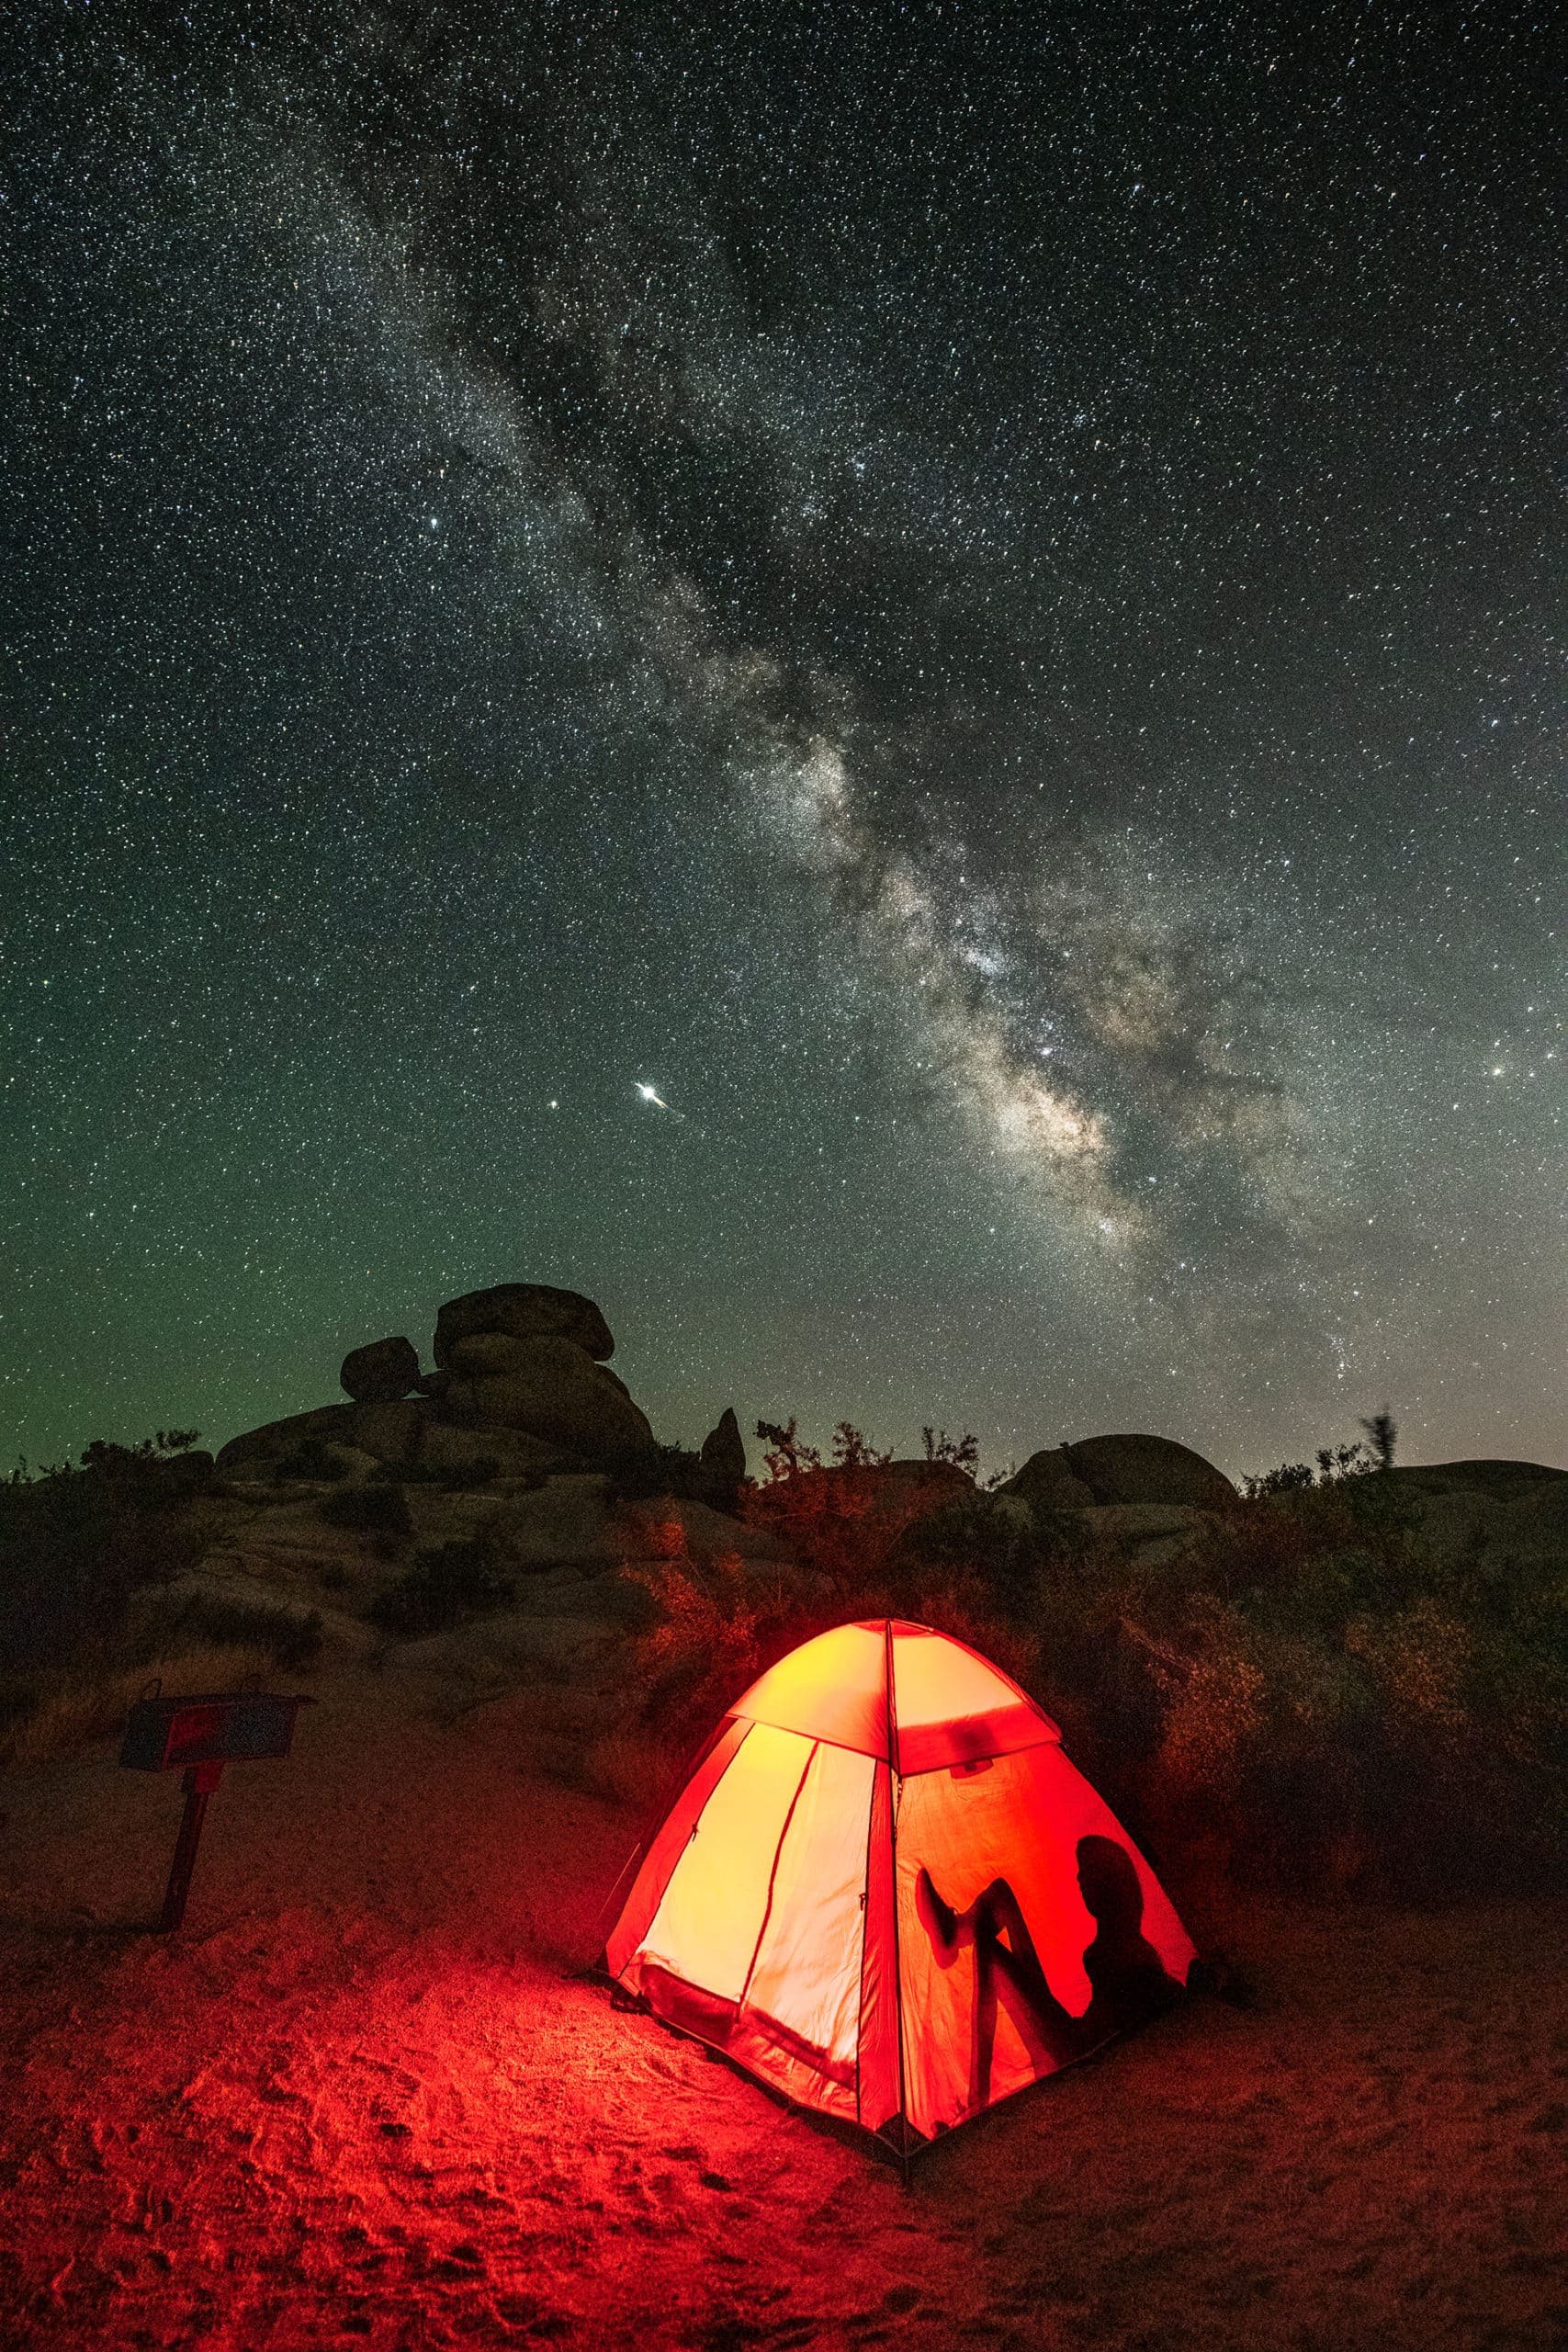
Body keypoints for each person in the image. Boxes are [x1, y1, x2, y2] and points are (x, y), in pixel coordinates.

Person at [917, 1833, 1185, 2109]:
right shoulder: (1119, 1935)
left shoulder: (1130, 1948)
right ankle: (956, 1930)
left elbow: (1148, 2003)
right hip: (1078, 2039)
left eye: (1087, 1872)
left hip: (1078, 2055)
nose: (1079, 1879)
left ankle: (977, 2099)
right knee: (1001, 1893)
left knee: (987, 1946)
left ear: (1110, 1882)